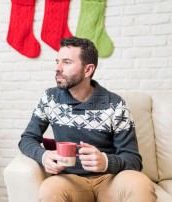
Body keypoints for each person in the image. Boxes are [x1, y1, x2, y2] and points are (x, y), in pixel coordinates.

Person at [18, 36, 156, 202]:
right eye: (57, 61)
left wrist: (106, 162)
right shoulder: (50, 98)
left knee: (140, 183)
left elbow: (133, 160)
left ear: (88, 70)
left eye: (67, 62)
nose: (57, 68)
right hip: (70, 180)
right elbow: (27, 138)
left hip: (109, 180)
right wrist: (44, 155)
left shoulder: (115, 104)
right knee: (49, 189)